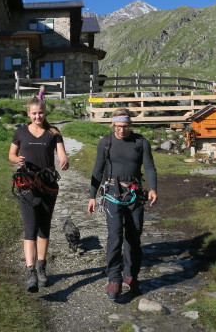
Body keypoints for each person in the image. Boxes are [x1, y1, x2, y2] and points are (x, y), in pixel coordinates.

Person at [87, 107, 158, 300]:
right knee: (115, 235)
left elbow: (149, 166)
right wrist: (92, 195)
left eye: (125, 126)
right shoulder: (106, 143)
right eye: (118, 126)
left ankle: (131, 275)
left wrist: (152, 188)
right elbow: (97, 170)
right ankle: (114, 278)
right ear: (113, 124)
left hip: (135, 194)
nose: (121, 130)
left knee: (134, 237)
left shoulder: (141, 142)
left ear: (130, 125)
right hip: (112, 194)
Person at [9, 96, 69, 292]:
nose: (37, 116)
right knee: (30, 228)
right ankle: (30, 271)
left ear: (45, 113)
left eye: (41, 113)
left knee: (44, 227)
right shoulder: (20, 132)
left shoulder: (53, 132)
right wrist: (16, 159)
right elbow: (11, 154)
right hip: (26, 184)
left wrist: (64, 161)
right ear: (28, 114)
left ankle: (42, 267)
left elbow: (62, 154)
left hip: (48, 184)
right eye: (34, 113)